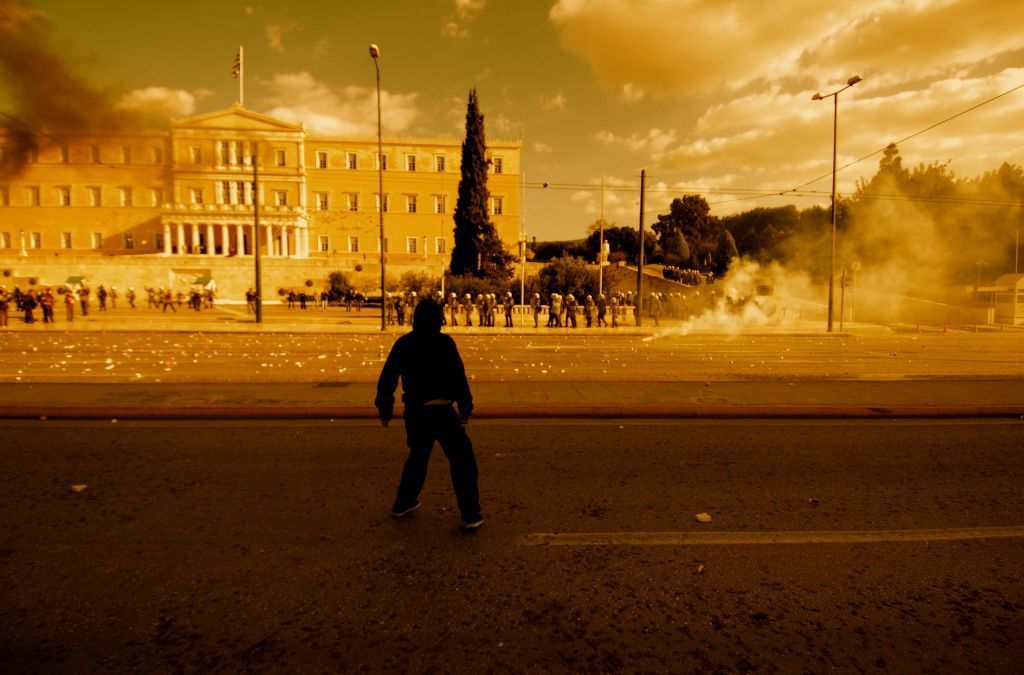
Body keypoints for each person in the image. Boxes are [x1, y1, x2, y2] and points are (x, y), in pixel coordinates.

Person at [375, 298, 482, 530]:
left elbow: (387, 380)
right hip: (442, 411)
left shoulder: (404, 344)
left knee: (418, 456)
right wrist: (465, 408)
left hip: (415, 412)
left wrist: (385, 410)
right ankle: (470, 513)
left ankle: (403, 502)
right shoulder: (445, 343)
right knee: (462, 460)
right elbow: (458, 378)